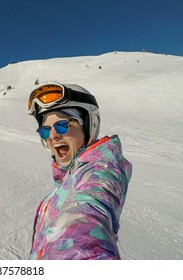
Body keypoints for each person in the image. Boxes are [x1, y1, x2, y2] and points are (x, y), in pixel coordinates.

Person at [27, 82, 132, 260]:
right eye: (46, 130)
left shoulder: (100, 171)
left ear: (88, 125)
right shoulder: (71, 175)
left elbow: (84, 219)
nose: (53, 136)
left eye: (62, 125)